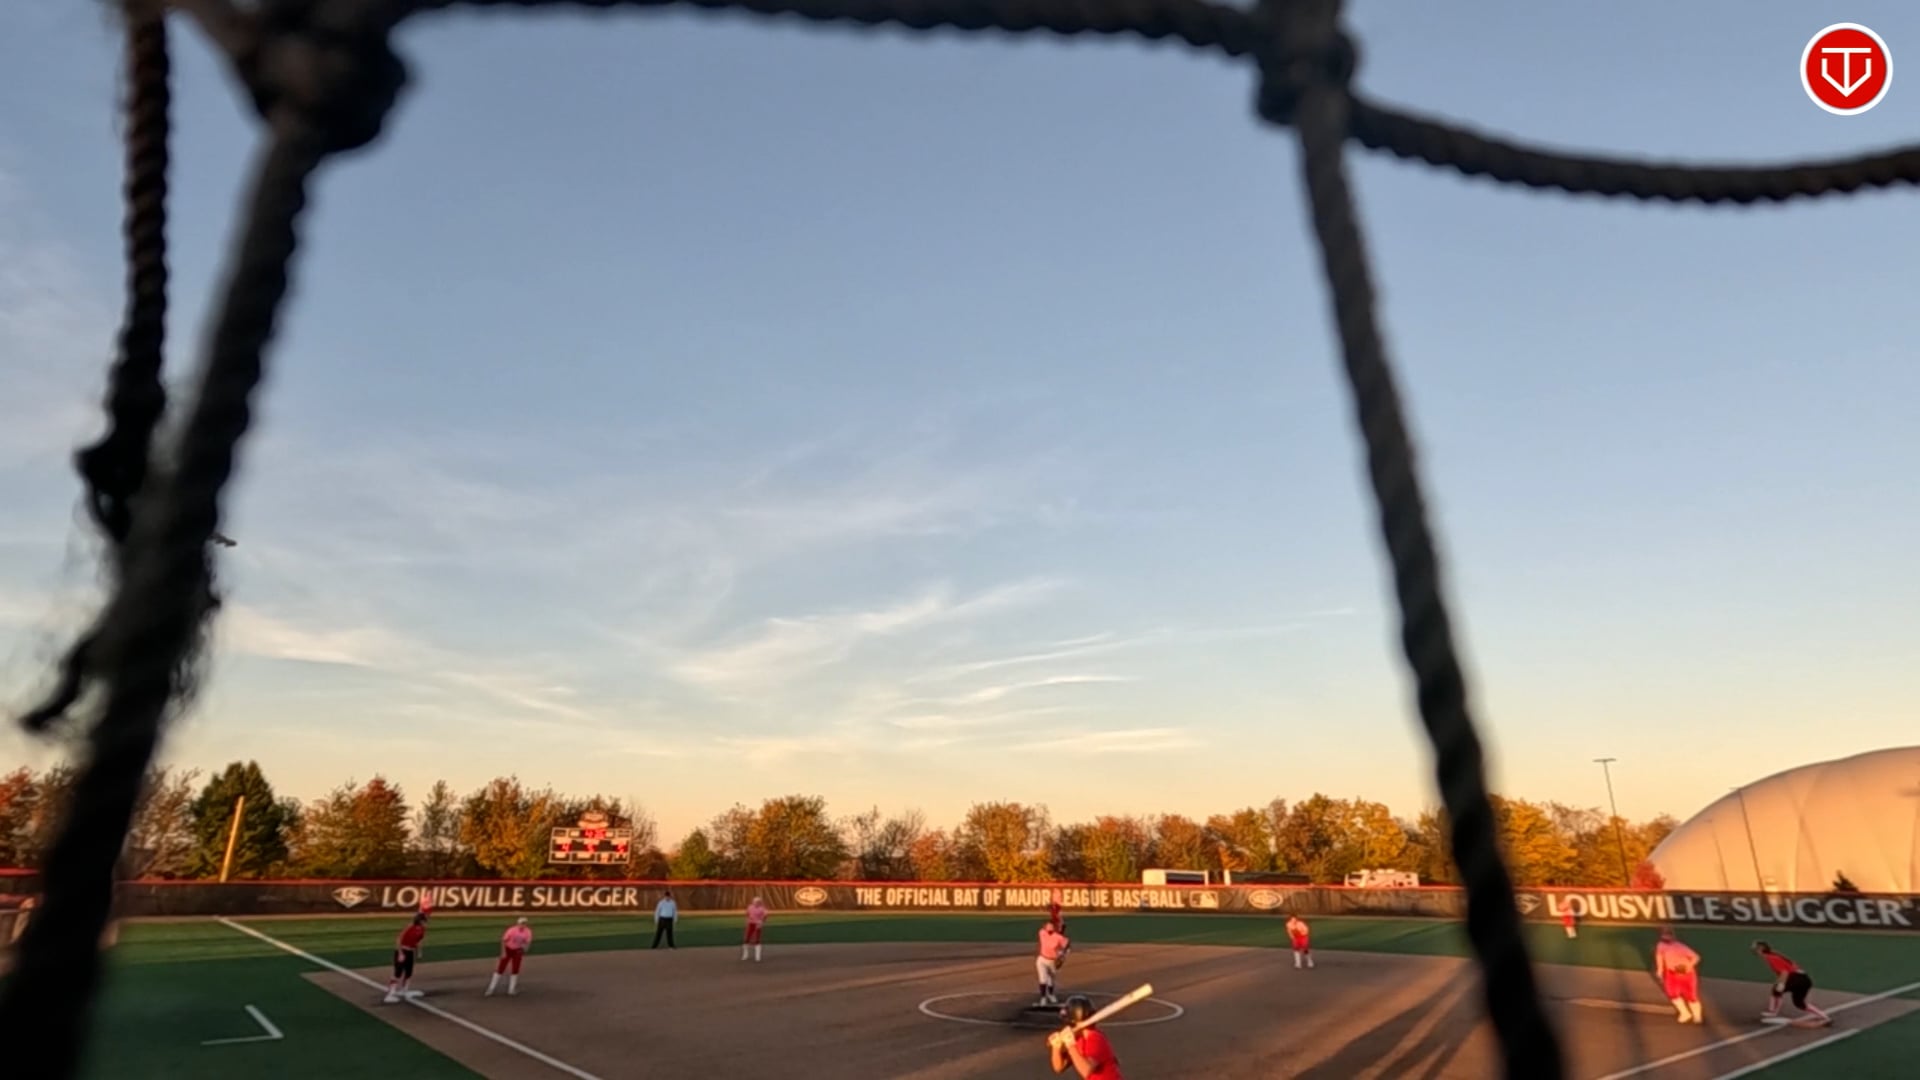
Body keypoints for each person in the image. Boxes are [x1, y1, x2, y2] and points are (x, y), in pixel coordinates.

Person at [1753, 941, 1832, 1026]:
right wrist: (1778, 983)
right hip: (1805, 979)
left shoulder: (1771, 958)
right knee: (1799, 1003)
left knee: (1776, 991)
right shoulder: (1775, 956)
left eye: (1756, 949)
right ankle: (1824, 1016)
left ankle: (1773, 1012)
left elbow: (1784, 973)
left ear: (1761, 949)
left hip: (1796, 978)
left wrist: (1781, 984)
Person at [1049, 994, 1125, 1079]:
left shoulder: (1095, 1039)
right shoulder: (1078, 1038)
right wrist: (1056, 1047)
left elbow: (1086, 1070)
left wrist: (1070, 1045)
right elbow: (1059, 1067)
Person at [1653, 927, 1702, 1023]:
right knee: (1672, 994)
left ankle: (1697, 1015)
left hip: (1686, 974)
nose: (1666, 937)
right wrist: (1660, 970)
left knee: (1691, 996)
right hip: (1671, 973)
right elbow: (1659, 956)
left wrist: (1687, 966)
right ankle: (1685, 1013)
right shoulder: (1660, 945)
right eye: (1664, 935)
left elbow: (1696, 957)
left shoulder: (1680, 947)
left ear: (1672, 936)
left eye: (1668, 935)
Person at [384, 912, 429, 1003]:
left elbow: (419, 941)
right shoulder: (410, 927)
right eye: (423, 921)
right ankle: (390, 995)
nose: (425, 922)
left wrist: (419, 952)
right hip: (402, 951)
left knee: (409, 972)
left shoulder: (422, 929)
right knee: (398, 972)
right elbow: (399, 939)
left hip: (410, 952)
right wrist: (400, 953)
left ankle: (404, 991)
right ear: (419, 920)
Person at [486, 917, 533, 997]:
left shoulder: (528, 931)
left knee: (515, 968)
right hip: (508, 949)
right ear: (518, 924)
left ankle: (511, 989)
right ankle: (491, 988)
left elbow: (528, 942)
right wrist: (503, 952)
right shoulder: (512, 930)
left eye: (524, 923)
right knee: (501, 968)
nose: (523, 925)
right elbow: (504, 940)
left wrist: (525, 949)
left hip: (517, 950)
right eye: (522, 923)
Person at [1036, 920, 1071, 1005]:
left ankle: (1051, 994)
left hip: (1052, 961)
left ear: (1054, 928)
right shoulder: (1042, 933)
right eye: (1047, 926)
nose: (1049, 927)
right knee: (1043, 979)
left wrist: (1063, 955)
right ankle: (1043, 997)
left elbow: (1067, 945)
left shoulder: (1058, 937)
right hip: (1042, 960)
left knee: (1051, 980)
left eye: (1051, 926)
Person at [742, 896, 768, 962]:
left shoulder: (762, 908)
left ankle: (757, 956)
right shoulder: (750, 907)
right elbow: (747, 914)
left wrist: (761, 922)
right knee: (746, 939)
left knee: (757, 939)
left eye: (757, 902)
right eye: (754, 902)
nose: (756, 903)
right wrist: (748, 920)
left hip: (757, 924)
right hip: (750, 924)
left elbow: (765, 916)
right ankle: (745, 955)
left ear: (760, 902)